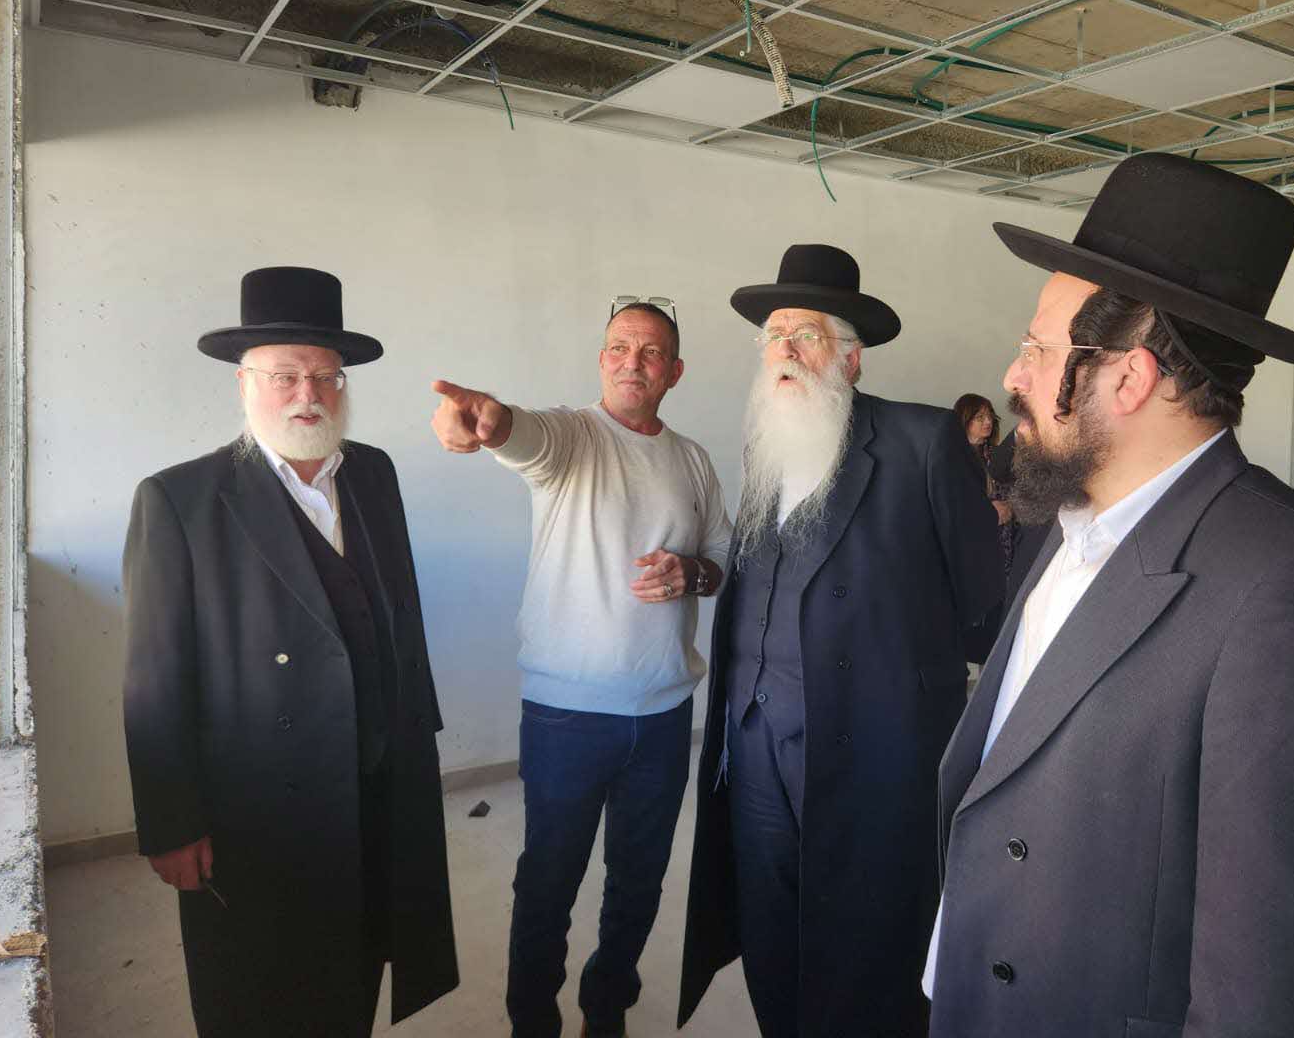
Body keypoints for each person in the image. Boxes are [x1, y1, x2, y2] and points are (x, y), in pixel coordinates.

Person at [929, 155, 1294, 1036]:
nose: (1013, 375)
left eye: (1038, 349)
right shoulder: (1065, 524)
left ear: (1128, 378)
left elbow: (1286, 999)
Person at [122, 266, 459, 1037]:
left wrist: (418, 735)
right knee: (258, 985)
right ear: (244, 383)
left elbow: (398, 617)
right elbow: (153, 678)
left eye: (325, 376)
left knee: (359, 959)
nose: (308, 393)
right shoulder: (179, 500)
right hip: (258, 801)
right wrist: (171, 823)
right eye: (284, 375)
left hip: (375, 780)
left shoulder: (373, 472)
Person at [679, 244, 1001, 1038]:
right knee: (770, 920)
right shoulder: (766, 443)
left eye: (808, 334)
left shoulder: (924, 440)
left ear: (851, 358)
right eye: (774, 335)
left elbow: (982, 601)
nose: (785, 350)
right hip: (755, 742)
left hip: (871, 747)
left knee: (864, 941)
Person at [428, 297, 731, 1038]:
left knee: (638, 882)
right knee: (548, 883)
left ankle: (606, 1010)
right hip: (566, 716)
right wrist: (487, 419)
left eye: (652, 352)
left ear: (675, 372)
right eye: (620, 347)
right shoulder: (571, 436)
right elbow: (519, 434)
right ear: (601, 360)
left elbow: (723, 558)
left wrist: (690, 573)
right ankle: (532, 1021)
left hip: (663, 717)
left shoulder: (693, 459)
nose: (634, 362)